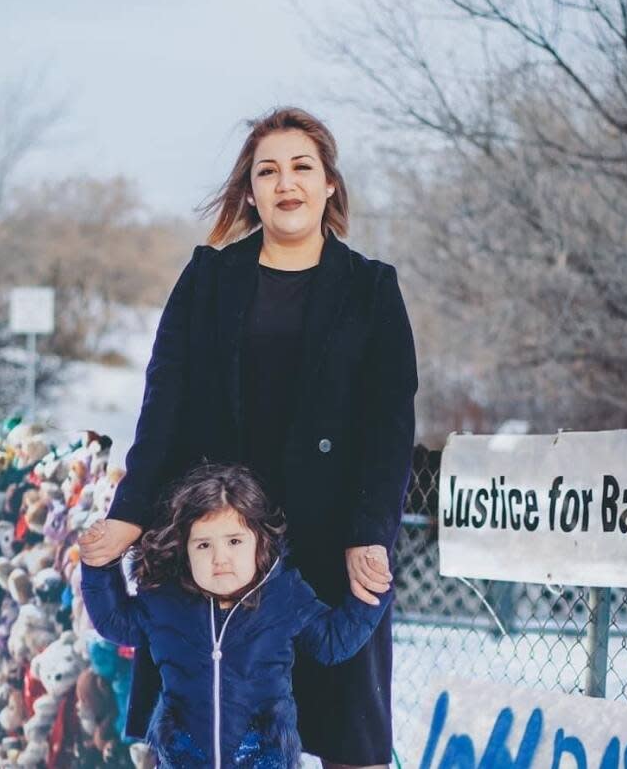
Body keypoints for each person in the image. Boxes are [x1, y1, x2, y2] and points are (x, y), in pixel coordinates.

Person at [79, 106, 418, 768]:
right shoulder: (208, 278)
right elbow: (163, 403)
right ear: (250, 188)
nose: (285, 182)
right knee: (195, 730)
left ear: (329, 186)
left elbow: (391, 427)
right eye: (268, 170)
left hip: (327, 542)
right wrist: (129, 512)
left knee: (347, 736)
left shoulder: (372, 290)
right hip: (214, 538)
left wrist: (368, 533)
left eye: (302, 167)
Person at [80, 464, 392, 768]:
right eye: (203, 545)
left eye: (234, 541)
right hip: (185, 755)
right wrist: (99, 566)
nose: (220, 558)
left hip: (263, 756)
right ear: (185, 550)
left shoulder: (283, 596)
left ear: (260, 541)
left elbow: (332, 642)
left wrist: (370, 593)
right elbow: (115, 622)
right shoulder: (166, 602)